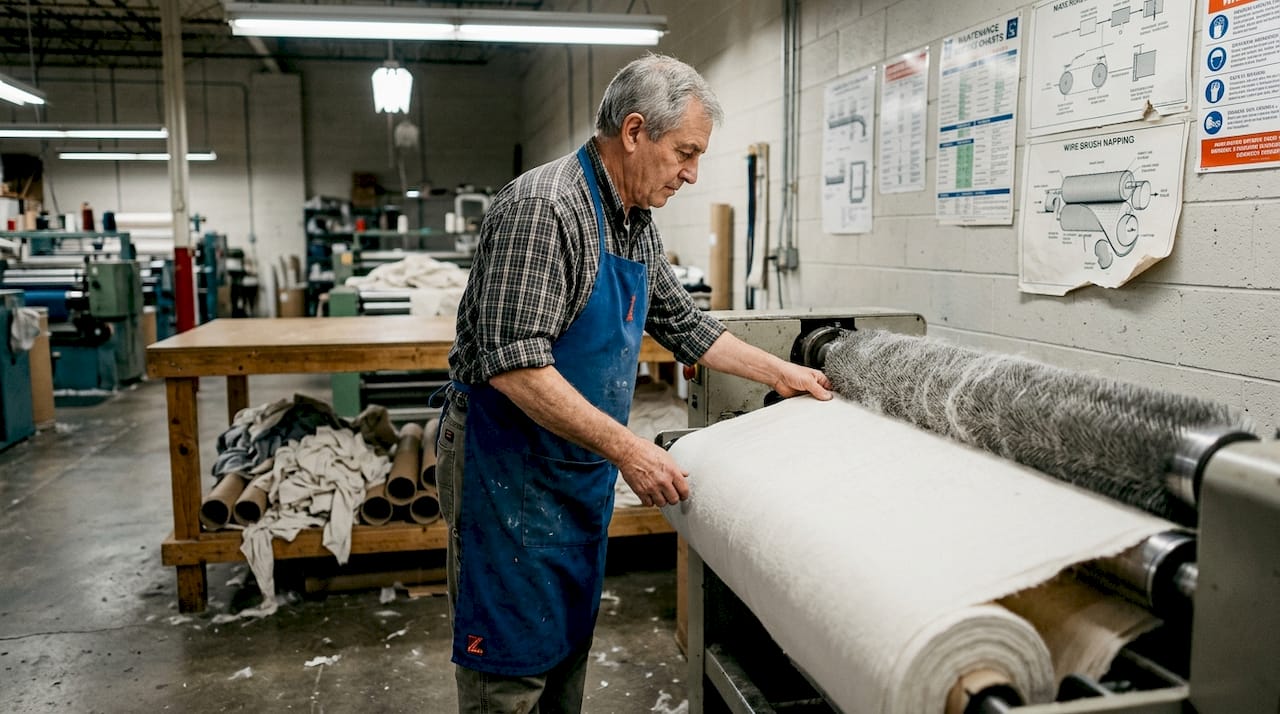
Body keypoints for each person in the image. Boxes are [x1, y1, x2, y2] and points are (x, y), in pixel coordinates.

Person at [436, 53, 831, 714]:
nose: (691, 173)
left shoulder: (632, 220)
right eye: (684, 152)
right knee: (510, 669)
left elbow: (680, 321)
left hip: (574, 466)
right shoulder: (544, 209)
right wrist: (630, 449)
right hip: (508, 468)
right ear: (635, 131)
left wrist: (785, 372)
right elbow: (514, 366)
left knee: (563, 645)